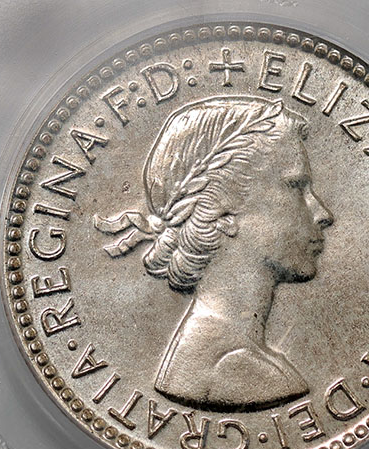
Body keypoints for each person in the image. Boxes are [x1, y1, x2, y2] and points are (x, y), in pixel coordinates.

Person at [95, 96, 333, 411]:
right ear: (224, 212)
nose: (323, 214)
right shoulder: (234, 368)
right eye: (295, 187)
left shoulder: (227, 355)